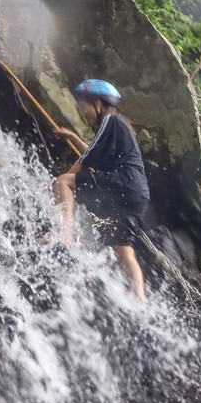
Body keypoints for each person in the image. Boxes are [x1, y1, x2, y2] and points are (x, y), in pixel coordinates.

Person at [52, 79, 151, 304]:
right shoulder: (120, 127)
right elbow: (94, 153)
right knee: (124, 251)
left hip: (124, 182)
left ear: (97, 103)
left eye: (83, 107)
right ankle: (140, 300)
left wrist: (63, 183)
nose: (83, 113)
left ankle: (63, 234)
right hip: (137, 194)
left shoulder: (110, 120)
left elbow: (87, 161)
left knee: (63, 182)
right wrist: (73, 138)